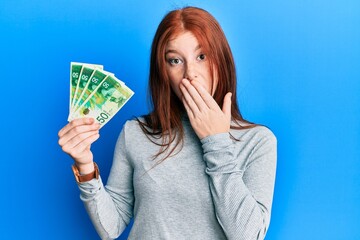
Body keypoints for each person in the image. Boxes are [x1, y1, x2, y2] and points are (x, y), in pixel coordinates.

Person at [58, 6, 277, 240]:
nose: (190, 73)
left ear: (220, 61)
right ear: (164, 72)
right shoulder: (136, 133)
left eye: (201, 56)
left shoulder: (257, 141)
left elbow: (248, 236)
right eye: (175, 61)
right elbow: (110, 227)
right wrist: (85, 167)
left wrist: (216, 141)